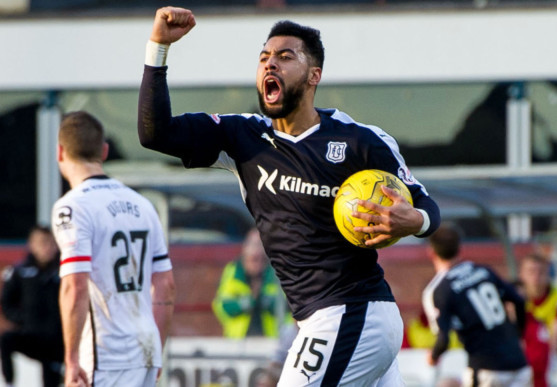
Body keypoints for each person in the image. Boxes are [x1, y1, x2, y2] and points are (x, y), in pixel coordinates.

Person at [138, 7, 441, 385]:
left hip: (352, 314)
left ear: (314, 76)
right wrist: (158, 48)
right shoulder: (243, 139)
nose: (270, 65)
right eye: (264, 57)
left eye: (285, 57)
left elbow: (426, 206)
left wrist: (417, 220)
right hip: (324, 321)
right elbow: (155, 134)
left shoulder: (359, 140)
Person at [52, 111, 176, 387]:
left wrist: (71, 359)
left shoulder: (72, 207)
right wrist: (155, 347)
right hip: (146, 347)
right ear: (104, 151)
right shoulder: (143, 205)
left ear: (60, 152)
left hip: (107, 354)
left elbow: (75, 286)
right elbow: (166, 285)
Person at [422, 224, 530, 386]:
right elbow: (519, 301)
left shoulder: (438, 290)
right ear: (460, 247)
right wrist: (518, 333)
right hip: (519, 364)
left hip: (486, 368)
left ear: (431, 253)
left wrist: (434, 356)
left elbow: (443, 339)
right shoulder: (483, 271)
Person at [0, 226, 64, 387]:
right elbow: (7, 301)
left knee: (51, 377)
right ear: (32, 245)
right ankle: (9, 383)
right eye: (42, 243)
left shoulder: (64, 270)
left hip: (58, 338)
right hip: (31, 334)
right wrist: (22, 319)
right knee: (6, 340)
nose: (47, 248)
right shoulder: (20, 271)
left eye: (51, 243)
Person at [212, 228, 286, 338]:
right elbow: (222, 307)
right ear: (244, 249)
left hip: (272, 342)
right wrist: (246, 303)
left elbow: (287, 306)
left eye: (261, 245)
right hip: (238, 343)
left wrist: (266, 301)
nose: (257, 251)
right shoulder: (233, 272)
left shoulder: (275, 273)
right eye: (253, 245)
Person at [518, 252, 557, 369]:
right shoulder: (517, 299)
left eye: (541, 272)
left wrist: (548, 362)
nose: (536, 277)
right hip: (529, 358)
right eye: (531, 272)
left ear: (548, 274)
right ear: (522, 275)